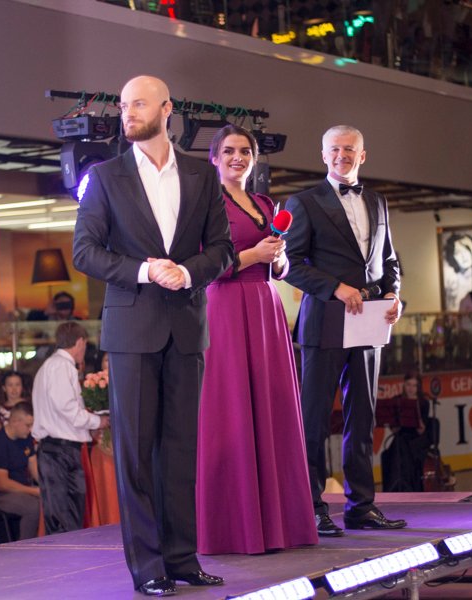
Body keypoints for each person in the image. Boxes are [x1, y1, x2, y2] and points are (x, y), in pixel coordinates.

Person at [72, 75, 232, 596]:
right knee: (136, 456)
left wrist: (186, 273)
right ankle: (148, 568)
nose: (127, 112)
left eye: (138, 103)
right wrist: (144, 270)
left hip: (187, 328)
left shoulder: (201, 175)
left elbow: (223, 249)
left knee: (181, 451)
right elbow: (85, 251)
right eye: (123, 105)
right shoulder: (105, 176)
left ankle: (183, 559)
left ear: (167, 109)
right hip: (131, 329)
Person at [196, 124, 317, 555]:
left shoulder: (265, 203)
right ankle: (236, 528)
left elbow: (279, 267)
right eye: (229, 151)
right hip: (226, 307)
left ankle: (282, 525)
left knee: (273, 408)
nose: (238, 158)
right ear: (214, 158)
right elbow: (202, 264)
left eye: (245, 151)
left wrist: (279, 261)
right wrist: (253, 255)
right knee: (231, 410)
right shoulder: (204, 204)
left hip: (266, 305)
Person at [284, 125, 404, 535]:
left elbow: (390, 261)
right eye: (334, 149)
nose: (342, 155)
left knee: (362, 419)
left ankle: (362, 507)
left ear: (362, 155)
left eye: (349, 149)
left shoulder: (378, 201)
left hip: (370, 322)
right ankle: (311, 508)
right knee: (314, 421)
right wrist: (335, 288)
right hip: (324, 322)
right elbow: (290, 265)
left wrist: (394, 294)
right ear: (323, 155)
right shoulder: (303, 202)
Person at [31, 321, 109, 535]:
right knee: (65, 518)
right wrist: (98, 422)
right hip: (60, 451)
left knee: (66, 516)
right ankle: (65, 555)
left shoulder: (52, 366)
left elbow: (64, 411)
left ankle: (65, 554)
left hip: (57, 450)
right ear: (80, 342)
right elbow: (67, 409)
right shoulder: (61, 367)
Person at [0, 401, 41, 540]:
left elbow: (34, 469)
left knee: (49, 500)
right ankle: (27, 546)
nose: (30, 429)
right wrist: (34, 491)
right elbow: (3, 484)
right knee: (33, 507)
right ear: (14, 422)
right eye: (28, 425)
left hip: (21, 489)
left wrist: (47, 487)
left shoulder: (26, 439)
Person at [379, 374, 430, 492]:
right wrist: (395, 423)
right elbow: (394, 429)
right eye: (408, 385)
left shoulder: (423, 403)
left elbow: (421, 431)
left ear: (418, 387)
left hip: (416, 438)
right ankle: (395, 486)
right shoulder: (397, 401)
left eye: (414, 386)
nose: (411, 389)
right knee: (394, 448)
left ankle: (406, 486)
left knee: (403, 447)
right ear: (404, 385)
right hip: (401, 436)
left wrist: (417, 415)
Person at [442, 232, 472, 312]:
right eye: (457, 252)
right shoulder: (453, 282)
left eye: (465, 249)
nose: (462, 255)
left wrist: (471, 245)